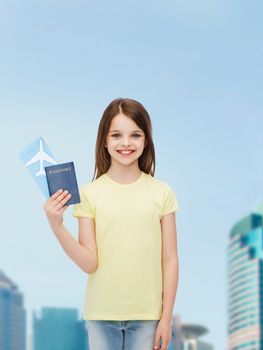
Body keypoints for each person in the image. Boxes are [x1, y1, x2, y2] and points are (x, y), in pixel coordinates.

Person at [43, 98, 179, 350]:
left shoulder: (162, 193)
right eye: (116, 135)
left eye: (135, 135)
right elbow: (89, 262)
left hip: (148, 315)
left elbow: (169, 258)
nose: (125, 143)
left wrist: (166, 317)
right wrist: (57, 225)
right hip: (101, 315)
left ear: (146, 140)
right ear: (104, 140)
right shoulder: (89, 194)